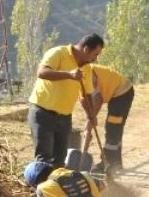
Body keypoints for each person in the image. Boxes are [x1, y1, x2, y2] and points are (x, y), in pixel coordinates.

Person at [28, 35, 105, 165]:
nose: (95, 59)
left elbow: (85, 95)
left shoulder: (86, 68)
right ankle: (42, 184)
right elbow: (42, 73)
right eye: (95, 55)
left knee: (59, 160)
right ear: (86, 49)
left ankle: (57, 184)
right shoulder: (58, 53)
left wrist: (91, 115)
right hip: (43, 113)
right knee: (44, 158)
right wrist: (69, 75)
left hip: (64, 118)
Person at [84, 63, 135, 172]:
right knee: (116, 128)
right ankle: (116, 163)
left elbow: (97, 99)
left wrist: (90, 120)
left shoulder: (86, 72)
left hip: (122, 94)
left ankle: (107, 163)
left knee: (113, 128)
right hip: (117, 93)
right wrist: (89, 119)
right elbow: (86, 99)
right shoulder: (79, 74)